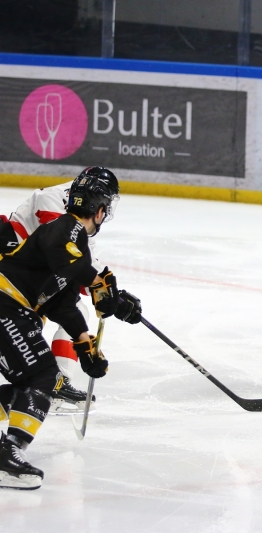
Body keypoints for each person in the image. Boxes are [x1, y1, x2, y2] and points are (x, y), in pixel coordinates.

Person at [0, 170, 142, 489]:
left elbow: (63, 302)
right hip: (6, 305)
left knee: (35, 383)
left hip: (13, 308)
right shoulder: (63, 226)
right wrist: (102, 289)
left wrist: (83, 345)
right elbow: (63, 257)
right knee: (42, 378)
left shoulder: (75, 236)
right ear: (102, 208)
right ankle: (5, 456)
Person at [0, 168, 118, 413]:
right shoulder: (60, 205)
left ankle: (55, 383)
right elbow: (66, 258)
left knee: (69, 311)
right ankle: (52, 383)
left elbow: (77, 268)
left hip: (22, 276)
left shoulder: (79, 210)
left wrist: (112, 298)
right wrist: (101, 288)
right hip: (10, 270)